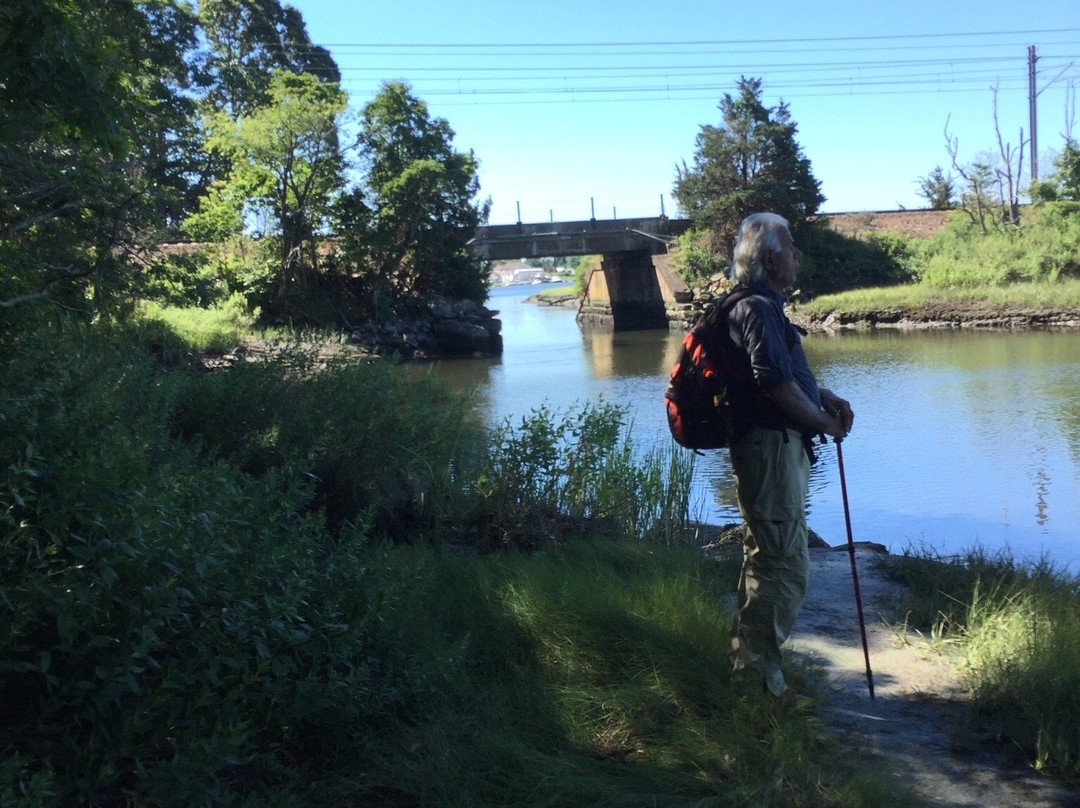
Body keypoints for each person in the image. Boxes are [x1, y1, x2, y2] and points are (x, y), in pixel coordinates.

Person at [722, 212, 854, 698]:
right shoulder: (757, 307)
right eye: (792, 246)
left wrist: (823, 397)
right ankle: (758, 686)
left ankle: (749, 672)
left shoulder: (760, 306)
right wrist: (821, 422)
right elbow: (772, 383)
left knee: (769, 560)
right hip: (771, 450)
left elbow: (782, 377)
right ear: (772, 256)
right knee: (782, 567)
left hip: (774, 448)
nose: (798, 254)